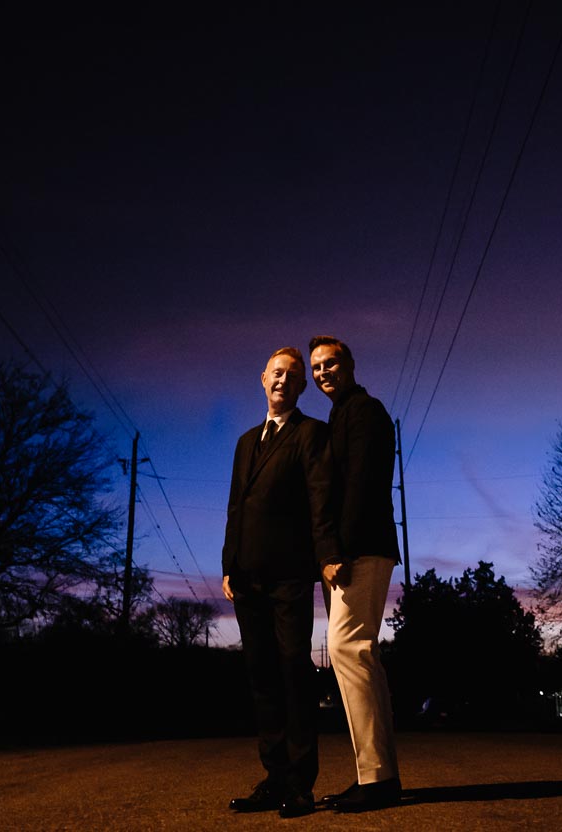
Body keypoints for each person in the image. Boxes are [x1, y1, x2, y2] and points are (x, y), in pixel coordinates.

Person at [222, 346, 338, 819]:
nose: (282, 381)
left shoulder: (312, 434)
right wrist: (229, 563)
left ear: (300, 387)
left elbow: (320, 498)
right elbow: (236, 506)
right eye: (276, 373)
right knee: (262, 677)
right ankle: (272, 779)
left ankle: (300, 784)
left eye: (292, 375)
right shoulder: (246, 441)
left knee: (293, 670)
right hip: (246, 577)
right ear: (262, 378)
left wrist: (327, 555)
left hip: (289, 574)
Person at [308, 334, 403, 813]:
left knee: (348, 648)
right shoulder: (342, 413)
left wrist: (337, 552)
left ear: (349, 364)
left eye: (330, 363)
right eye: (316, 368)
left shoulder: (363, 410)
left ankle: (378, 779)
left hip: (360, 550)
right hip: (359, 549)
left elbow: (361, 486)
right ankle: (379, 774)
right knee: (362, 655)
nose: (322, 372)